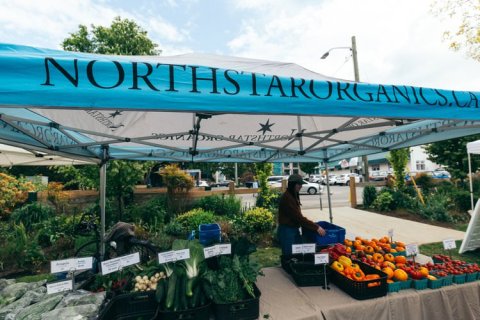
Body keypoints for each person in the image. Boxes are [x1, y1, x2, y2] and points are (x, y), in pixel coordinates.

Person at [277, 174, 326, 255]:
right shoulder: (287, 198)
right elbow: (298, 217)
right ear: (292, 184)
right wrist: (316, 227)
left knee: (298, 253)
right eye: (299, 184)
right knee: (289, 256)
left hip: (293, 229)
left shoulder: (292, 194)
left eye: (301, 184)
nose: (301, 186)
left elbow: (298, 216)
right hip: (287, 231)